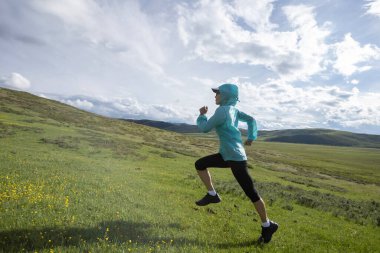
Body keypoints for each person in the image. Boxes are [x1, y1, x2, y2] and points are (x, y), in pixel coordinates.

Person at [195, 83, 278, 243]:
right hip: (228, 155)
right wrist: (252, 136)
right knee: (200, 164)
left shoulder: (222, 111)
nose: (215, 96)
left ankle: (268, 225)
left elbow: (204, 128)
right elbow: (251, 120)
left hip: (234, 158)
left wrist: (202, 115)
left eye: (218, 93)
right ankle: (212, 195)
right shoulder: (233, 110)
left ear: (225, 95)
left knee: (251, 193)